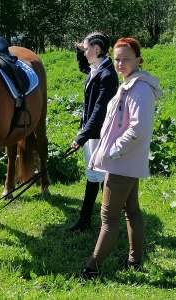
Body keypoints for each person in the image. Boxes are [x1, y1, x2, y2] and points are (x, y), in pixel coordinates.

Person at [80, 37, 163, 280]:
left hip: (121, 163)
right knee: (132, 211)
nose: (120, 63)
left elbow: (137, 129)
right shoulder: (130, 84)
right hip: (126, 162)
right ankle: (134, 261)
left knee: (108, 218)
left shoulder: (139, 90)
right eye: (117, 59)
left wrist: (113, 151)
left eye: (126, 58)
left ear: (138, 60)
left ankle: (91, 268)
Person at [67, 31, 119, 233]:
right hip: (91, 132)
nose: (84, 51)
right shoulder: (98, 68)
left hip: (99, 133)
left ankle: (108, 221)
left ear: (97, 49)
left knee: (102, 178)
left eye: (87, 48)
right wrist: (80, 51)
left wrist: (81, 136)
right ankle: (86, 219)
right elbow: (83, 66)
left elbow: (99, 110)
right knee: (93, 175)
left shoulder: (107, 74)